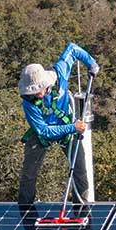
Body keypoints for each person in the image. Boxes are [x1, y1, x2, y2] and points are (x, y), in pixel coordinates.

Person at [18, 42, 99, 206]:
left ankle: (81, 207)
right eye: (32, 91)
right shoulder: (28, 102)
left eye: (37, 90)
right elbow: (43, 131)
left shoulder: (59, 72)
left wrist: (91, 63)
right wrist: (73, 127)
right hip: (46, 132)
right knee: (29, 174)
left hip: (67, 129)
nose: (36, 94)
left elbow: (72, 49)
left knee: (80, 171)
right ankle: (25, 209)